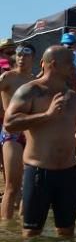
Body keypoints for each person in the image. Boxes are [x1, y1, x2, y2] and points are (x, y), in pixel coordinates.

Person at [2, 46, 76, 237]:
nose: (74, 68)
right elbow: (10, 124)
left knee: (67, 234)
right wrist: (47, 115)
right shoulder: (30, 91)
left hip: (68, 174)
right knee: (31, 235)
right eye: (70, 63)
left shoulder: (73, 97)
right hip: (39, 174)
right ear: (54, 64)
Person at [0, 43, 36, 220]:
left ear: (33, 59)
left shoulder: (36, 81)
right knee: (12, 187)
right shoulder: (8, 77)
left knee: (28, 186)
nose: (21, 58)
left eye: (26, 55)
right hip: (11, 133)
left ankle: (24, 226)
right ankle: (6, 228)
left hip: (31, 135)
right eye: (19, 54)